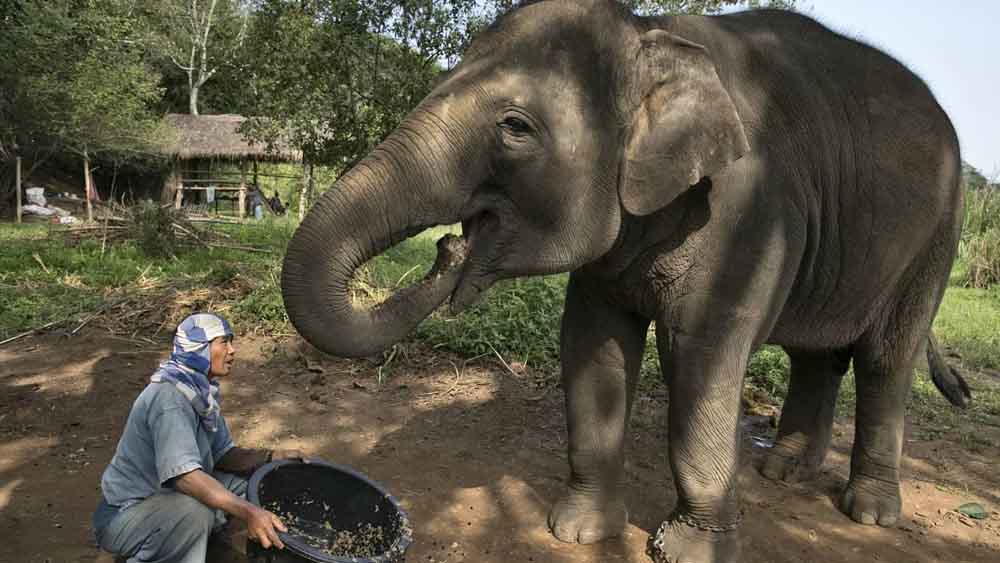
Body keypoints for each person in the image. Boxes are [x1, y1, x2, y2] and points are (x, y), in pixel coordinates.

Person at [92, 313, 304, 562]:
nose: (233, 350)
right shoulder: (170, 399)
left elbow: (223, 454)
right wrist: (250, 513)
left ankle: (205, 542)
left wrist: (271, 457)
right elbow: (185, 478)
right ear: (198, 350)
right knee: (195, 512)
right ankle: (146, 551)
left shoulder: (199, 391)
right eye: (223, 342)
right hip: (128, 512)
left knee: (259, 482)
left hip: (165, 500)